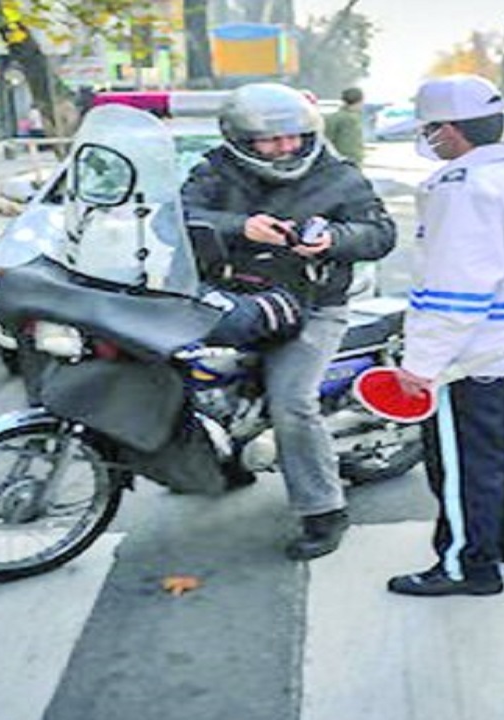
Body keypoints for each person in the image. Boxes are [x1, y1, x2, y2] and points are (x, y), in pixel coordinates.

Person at [181, 83, 397, 559]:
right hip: (231, 296)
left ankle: (324, 509)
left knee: (292, 402)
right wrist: (240, 226)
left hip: (312, 305)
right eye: (269, 140)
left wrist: (332, 239)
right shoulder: (215, 170)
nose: (284, 148)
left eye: (294, 137)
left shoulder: (338, 175)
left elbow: (380, 233)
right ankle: (214, 457)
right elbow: (177, 214)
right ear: (239, 138)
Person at [385, 75, 504, 597]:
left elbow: (455, 289)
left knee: (466, 463)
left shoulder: (462, 191)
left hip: (473, 355)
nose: (427, 138)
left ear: (450, 131)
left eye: (430, 128)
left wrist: (420, 366)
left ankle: (466, 565)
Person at [324, 87, 366, 165]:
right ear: (360, 101)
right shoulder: (347, 119)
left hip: (343, 161)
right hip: (345, 161)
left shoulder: (335, 118)